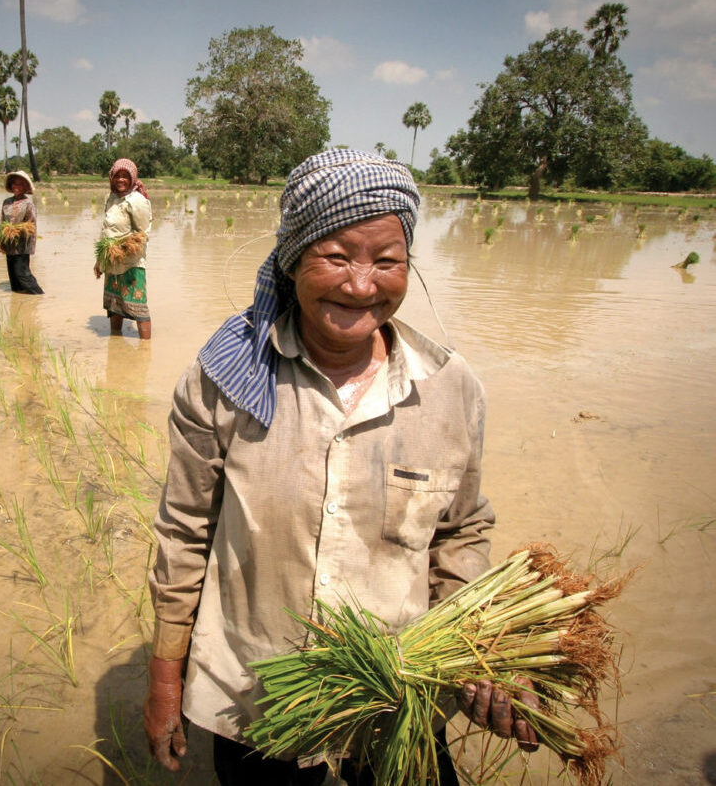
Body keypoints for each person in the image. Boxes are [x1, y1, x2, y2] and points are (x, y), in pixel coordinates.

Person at [143, 149, 538, 785]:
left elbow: (461, 534)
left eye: (386, 261)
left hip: (398, 690)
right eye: (335, 257)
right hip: (258, 690)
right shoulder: (225, 379)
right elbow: (184, 530)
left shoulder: (449, 389)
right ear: (293, 259)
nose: (361, 285)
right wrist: (165, 678)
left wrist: (477, 657)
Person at [92, 158, 152, 339]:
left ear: (132, 178)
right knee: (114, 304)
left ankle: (145, 350)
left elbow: (143, 234)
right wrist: (100, 260)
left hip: (131, 263)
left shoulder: (137, 200)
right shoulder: (110, 198)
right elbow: (106, 232)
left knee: (139, 308)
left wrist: (122, 250)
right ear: (112, 177)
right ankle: (115, 343)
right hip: (111, 261)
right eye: (117, 176)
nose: (121, 180)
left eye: (125, 176)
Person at [0, 170, 43, 294]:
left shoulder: (28, 203)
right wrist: (1, 240)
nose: (16, 187)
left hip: (22, 244)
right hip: (9, 243)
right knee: (13, 277)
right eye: (14, 184)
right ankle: (19, 301)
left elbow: (31, 224)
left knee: (22, 273)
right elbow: (2, 222)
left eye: (20, 184)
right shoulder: (6, 202)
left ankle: (39, 295)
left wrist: (16, 230)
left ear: (25, 187)